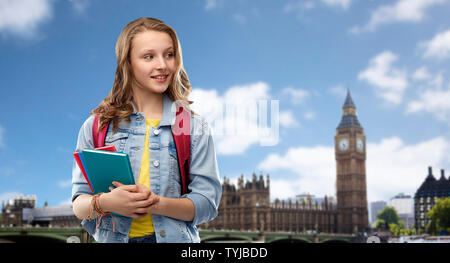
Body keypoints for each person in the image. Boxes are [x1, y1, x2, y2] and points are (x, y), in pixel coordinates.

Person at [71, 17, 222, 243]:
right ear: (127, 62)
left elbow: (207, 204)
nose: (162, 65)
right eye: (149, 56)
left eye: (169, 54)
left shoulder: (194, 127)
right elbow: (79, 205)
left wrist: (157, 204)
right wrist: (105, 203)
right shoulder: (96, 126)